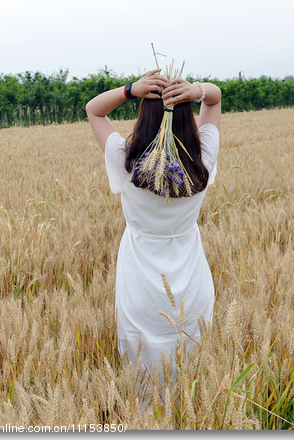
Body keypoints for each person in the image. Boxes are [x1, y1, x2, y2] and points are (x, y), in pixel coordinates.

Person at [86, 69, 222, 399]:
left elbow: (94, 109)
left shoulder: (126, 159)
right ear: (188, 114)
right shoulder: (201, 157)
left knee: (142, 376)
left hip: (140, 285)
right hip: (191, 283)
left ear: (143, 118)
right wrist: (197, 90)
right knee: (190, 374)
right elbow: (215, 99)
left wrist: (131, 89)